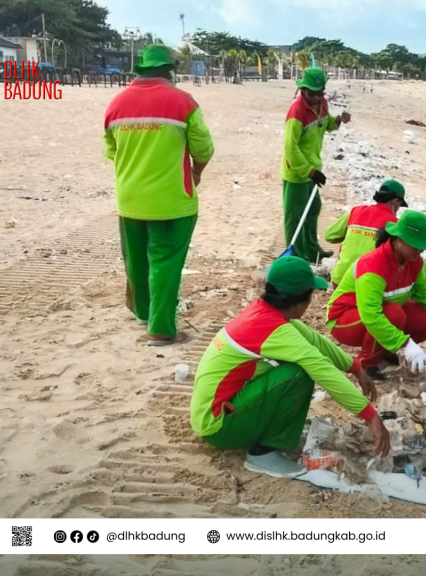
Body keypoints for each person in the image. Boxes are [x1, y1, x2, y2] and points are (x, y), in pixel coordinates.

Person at [190, 256, 389, 478]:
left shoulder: (264, 313)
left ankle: (263, 432)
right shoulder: (275, 328)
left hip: (210, 413)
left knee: (298, 363)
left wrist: (355, 368)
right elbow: (320, 366)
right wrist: (371, 416)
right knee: (299, 372)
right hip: (218, 427)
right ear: (298, 303)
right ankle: (262, 454)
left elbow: (315, 341)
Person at [104, 44, 214, 346]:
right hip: (172, 201)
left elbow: (110, 150)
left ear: (141, 70)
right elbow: (203, 148)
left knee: (136, 260)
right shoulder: (182, 102)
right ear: (169, 71)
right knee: (165, 263)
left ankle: (143, 313)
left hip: (129, 199)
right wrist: (197, 172)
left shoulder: (117, 103)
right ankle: (161, 328)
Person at [327, 210, 426, 374]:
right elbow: (371, 314)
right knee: (393, 313)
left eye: (422, 249)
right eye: (415, 247)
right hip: (344, 319)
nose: (419, 253)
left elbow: (425, 293)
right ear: (398, 239)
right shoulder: (373, 266)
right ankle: (366, 363)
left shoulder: (413, 262)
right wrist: (406, 344)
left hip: (379, 313)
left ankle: (385, 350)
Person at [281, 67, 351, 263]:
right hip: (296, 172)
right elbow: (290, 148)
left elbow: (325, 123)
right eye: (312, 93)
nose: (316, 97)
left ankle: (312, 250)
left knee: (312, 209)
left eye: (320, 93)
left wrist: (337, 121)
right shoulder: (296, 112)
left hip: (313, 168)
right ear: (303, 90)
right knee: (295, 216)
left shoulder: (322, 105)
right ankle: (294, 257)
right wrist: (308, 171)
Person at [324, 179, 408, 287]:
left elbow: (330, 235)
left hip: (340, 279)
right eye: (400, 204)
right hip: (365, 283)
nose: (398, 208)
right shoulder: (394, 224)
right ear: (395, 201)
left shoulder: (356, 211)